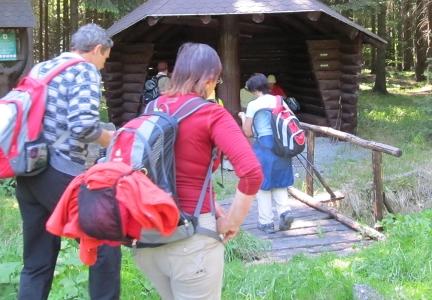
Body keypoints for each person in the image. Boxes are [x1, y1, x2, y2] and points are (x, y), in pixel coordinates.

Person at [133, 43, 263, 300]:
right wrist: (231, 222)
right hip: (191, 239)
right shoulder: (211, 114)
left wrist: (213, 203)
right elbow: (252, 173)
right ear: (210, 79)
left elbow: (161, 169)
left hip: (147, 238)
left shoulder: (152, 108)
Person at [15, 23, 121, 300]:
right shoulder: (83, 70)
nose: (102, 67)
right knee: (105, 240)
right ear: (97, 49)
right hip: (59, 171)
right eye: (105, 59)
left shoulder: (42, 68)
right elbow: (83, 125)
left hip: (28, 170)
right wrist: (110, 139)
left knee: (37, 260)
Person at [238, 73, 294, 234]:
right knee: (280, 180)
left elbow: (248, 132)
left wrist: (243, 117)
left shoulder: (253, 105)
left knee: (262, 185)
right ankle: (285, 211)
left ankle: (266, 222)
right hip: (282, 144)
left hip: (264, 146)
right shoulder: (279, 100)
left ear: (254, 89)